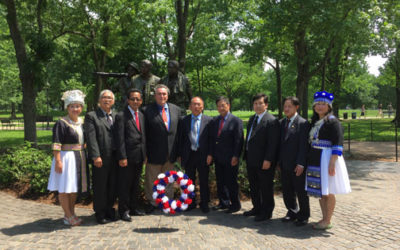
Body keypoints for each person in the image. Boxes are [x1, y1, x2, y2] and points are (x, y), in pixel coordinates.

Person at [306, 91, 351, 230]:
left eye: (323, 104)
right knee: (321, 190)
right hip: (315, 157)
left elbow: (338, 143)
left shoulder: (333, 121)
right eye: (317, 104)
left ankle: (327, 219)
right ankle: (324, 218)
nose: (320, 106)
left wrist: (332, 162)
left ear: (329, 106)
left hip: (327, 158)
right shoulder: (314, 122)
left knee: (329, 190)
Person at [48, 90, 88, 226]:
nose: (75, 109)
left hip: (79, 158)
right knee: (65, 188)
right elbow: (56, 143)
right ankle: (69, 215)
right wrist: (58, 161)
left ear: (81, 108)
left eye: (78, 106)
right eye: (72, 106)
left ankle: (70, 213)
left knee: (73, 188)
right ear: (67, 107)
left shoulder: (82, 123)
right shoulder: (61, 123)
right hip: (66, 158)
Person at [143, 84, 181, 213]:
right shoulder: (146, 110)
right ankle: (153, 203)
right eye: (159, 94)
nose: (162, 96)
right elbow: (144, 134)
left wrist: (179, 153)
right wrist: (145, 153)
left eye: (164, 94)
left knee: (168, 180)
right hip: (153, 153)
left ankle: (167, 201)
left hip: (171, 153)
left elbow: (178, 133)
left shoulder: (176, 109)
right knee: (152, 180)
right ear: (155, 96)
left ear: (168, 95)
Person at [243, 93, 279, 221]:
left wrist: (268, 159)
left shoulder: (271, 120)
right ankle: (256, 208)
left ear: (266, 105)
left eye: (260, 103)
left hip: (264, 161)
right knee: (254, 186)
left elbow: (273, 143)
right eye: (255, 103)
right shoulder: (253, 118)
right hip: (251, 159)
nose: (257, 106)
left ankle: (266, 212)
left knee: (265, 187)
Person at [84, 90, 118, 224]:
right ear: (99, 100)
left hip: (115, 158)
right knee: (100, 186)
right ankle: (100, 212)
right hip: (100, 158)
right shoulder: (92, 116)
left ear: (113, 101)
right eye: (104, 97)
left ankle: (110, 209)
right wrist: (95, 156)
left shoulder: (116, 116)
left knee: (112, 185)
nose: (107, 100)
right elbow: (91, 138)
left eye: (110, 98)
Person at [114, 89, 146, 222]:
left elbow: (143, 136)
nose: (135, 101)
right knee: (125, 185)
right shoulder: (121, 116)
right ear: (128, 100)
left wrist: (145, 155)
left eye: (138, 99)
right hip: (126, 158)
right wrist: (122, 157)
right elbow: (119, 138)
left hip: (139, 156)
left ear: (141, 101)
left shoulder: (142, 115)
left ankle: (133, 207)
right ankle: (124, 211)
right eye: (133, 99)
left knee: (135, 184)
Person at [177, 97, 213, 213]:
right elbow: (180, 139)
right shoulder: (183, 120)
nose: (196, 107)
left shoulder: (209, 120)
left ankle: (204, 203)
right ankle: (191, 202)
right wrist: (180, 155)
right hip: (189, 155)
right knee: (189, 181)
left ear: (202, 107)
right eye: (194, 104)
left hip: (203, 155)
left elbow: (212, 140)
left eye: (198, 104)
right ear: (190, 107)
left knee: (204, 180)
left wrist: (210, 154)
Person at [278, 96, 310, 226]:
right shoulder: (281, 123)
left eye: (289, 106)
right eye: (285, 106)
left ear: (296, 107)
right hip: (284, 164)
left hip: (297, 164)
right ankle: (292, 211)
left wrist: (301, 163)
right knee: (287, 190)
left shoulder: (303, 123)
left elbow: (304, 146)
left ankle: (303, 215)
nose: (286, 109)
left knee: (300, 191)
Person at [210, 96, 244, 213]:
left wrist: (236, 156)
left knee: (231, 182)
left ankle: (235, 204)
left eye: (223, 105)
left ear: (228, 106)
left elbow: (239, 141)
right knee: (220, 181)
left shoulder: (236, 121)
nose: (221, 108)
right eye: (219, 106)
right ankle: (223, 203)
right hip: (218, 157)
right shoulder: (215, 121)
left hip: (231, 158)